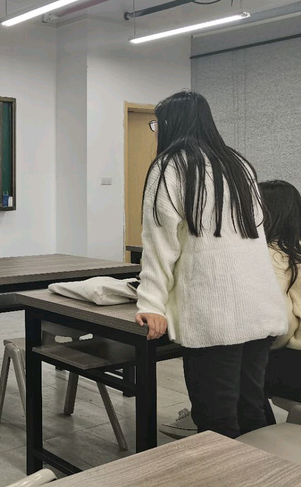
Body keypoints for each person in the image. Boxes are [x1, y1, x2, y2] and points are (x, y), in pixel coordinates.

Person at [135, 91, 287, 439]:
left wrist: (151, 304)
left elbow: (159, 244)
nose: (157, 131)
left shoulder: (170, 166)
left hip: (215, 314)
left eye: (157, 124)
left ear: (171, 123)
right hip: (260, 308)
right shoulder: (239, 164)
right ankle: (264, 468)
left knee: (216, 419)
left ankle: (229, 469)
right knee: (251, 408)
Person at [259, 180, 301, 423]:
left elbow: (281, 322)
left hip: (295, 365)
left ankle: (250, 434)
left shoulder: (272, 254)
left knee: (233, 368)